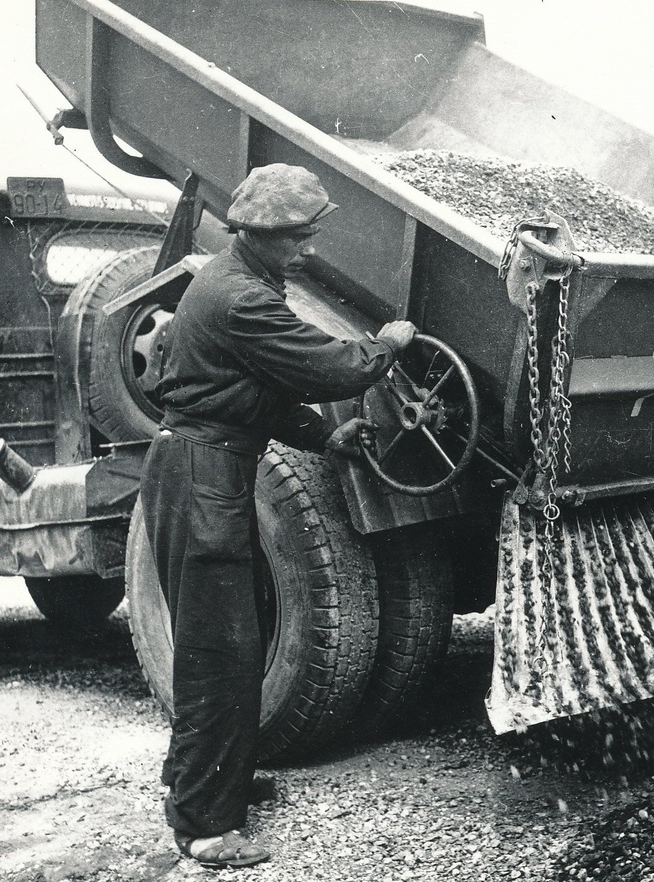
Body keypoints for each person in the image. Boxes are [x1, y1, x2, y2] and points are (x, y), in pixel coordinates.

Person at [138, 163, 415, 869]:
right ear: (257, 234)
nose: (309, 250)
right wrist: (388, 345)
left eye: (310, 236)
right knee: (218, 652)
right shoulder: (241, 299)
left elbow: (258, 392)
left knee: (228, 640)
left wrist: (327, 438)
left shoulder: (244, 282)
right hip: (203, 474)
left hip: (204, 465)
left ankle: (205, 783)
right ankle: (204, 825)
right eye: (298, 238)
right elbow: (334, 369)